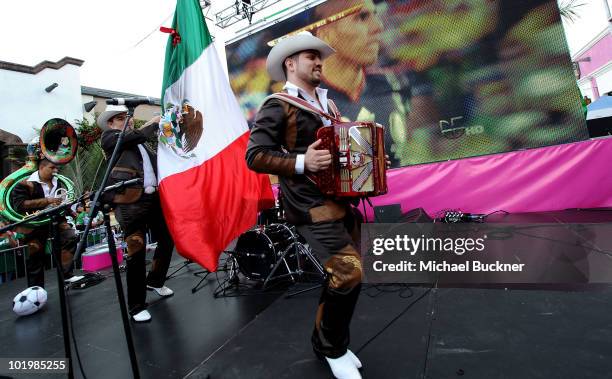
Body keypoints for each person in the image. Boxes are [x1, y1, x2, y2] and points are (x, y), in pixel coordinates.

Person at [246, 32, 365, 379]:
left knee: (346, 277)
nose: (318, 61)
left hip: (342, 200)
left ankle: (327, 339)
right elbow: (254, 156)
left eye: (318, 56)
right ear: (290, 63)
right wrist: (302, 162)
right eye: (310, 56)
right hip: (310, 206)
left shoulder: (329, 106)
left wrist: (367, 161)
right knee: (348, 270)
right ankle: (332, 349)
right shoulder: (277, 104)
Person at [99, 105, 175, 323]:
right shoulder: (110, 138)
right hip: (129, 202)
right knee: (136, 248)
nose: (128, 121)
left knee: (168, 239)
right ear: (111, 123)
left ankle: (155, 281)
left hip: (152, 200)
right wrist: (152, 123)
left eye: (128, 117)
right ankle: (136, 305)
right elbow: (129, 138)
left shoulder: (139, 143)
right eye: (121, 118)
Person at [10, 159, 77, 287]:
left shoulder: (58, 181)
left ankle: (67, 275)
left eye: (56, 168)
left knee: (70, 237)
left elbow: (61, 199)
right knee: (36, 256)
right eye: (52, 168)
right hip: (35, 223)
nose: (56, 171)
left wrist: (69, 210)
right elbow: (19, 205)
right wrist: (47, 201)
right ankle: (36, 290)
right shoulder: (25, 183)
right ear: (41, 168)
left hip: (56, 219)